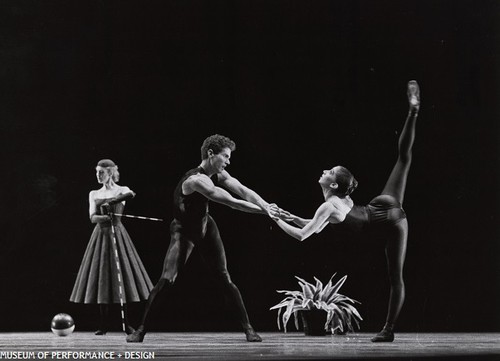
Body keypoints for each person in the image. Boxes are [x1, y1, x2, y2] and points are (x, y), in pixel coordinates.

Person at [271, 81, 421, 342]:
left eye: (328, 172)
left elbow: (304, 235)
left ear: (332, 184)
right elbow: (316, 224)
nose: (324, 171)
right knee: (403, 159)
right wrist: (288, 215)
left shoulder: (329, 205)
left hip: (390, 223)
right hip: (385, 205)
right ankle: (413, 112)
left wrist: (275, 219)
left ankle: (388, 330)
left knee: (396, 278)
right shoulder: (336, 204)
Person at [126, 134, 277, 343]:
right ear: (210, 154)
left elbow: (242, 190)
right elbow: (233, 203)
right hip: (183, 232)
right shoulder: (196, 180)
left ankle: (249, 329)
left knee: (225, 278)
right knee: (167, 280)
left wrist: (267, 205)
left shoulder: (219, 174)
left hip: (206, 226)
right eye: (225, 156)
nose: (228, 161)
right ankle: (140, 330)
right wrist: (266, 213)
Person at [70, 159, 153, 335]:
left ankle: (127, 323)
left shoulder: (121, 189)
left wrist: (113, 201)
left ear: (110, 173)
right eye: (97, 172)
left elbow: (131, 194)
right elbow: (92, 217)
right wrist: (105, 218)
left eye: (101, 172)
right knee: (102, 278)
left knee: (122, 277)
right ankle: (103, 324)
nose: (98, 175)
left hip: (118, 234)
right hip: (101, 236)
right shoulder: (93, 193)